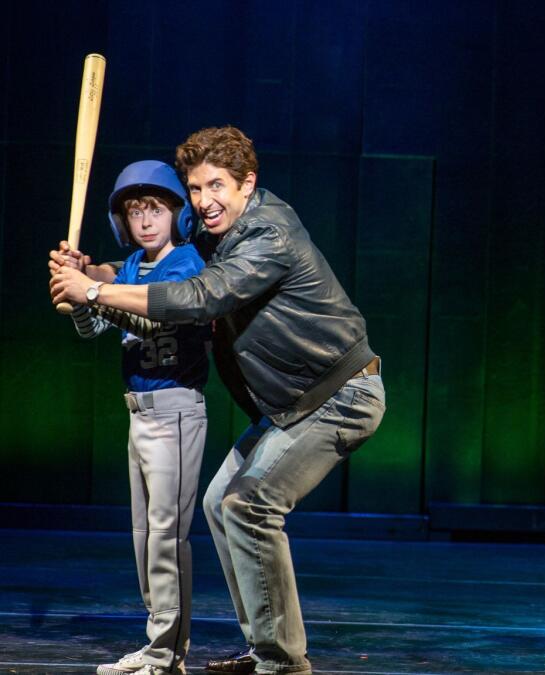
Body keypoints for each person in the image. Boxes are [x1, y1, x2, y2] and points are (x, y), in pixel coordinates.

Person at [51, 126, 386, 675]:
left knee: (248, 505)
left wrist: (93, 292)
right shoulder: (218, 233)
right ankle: (265, 649)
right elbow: (160, 262)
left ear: (247, 183)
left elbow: (201, 294)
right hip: (292, 406)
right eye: (195, 188)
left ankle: (283, 663)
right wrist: (89, 270)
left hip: (340, 396)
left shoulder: (268, 235)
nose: (204, 201)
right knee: (219, 502)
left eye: (216, 186)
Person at [50, 161, 209, 675]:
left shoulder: (185, 263)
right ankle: (156, 644)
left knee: (166, 537)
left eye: (156, 209)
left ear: (177, 214)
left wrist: (90, 288)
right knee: (144, 537)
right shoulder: (131, 268)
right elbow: (90, 328)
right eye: (134, 212)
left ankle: (166, 655)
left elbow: (151, 314)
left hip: (176, 410)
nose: (145, 221)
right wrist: (75, 292)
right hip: (139, 415)